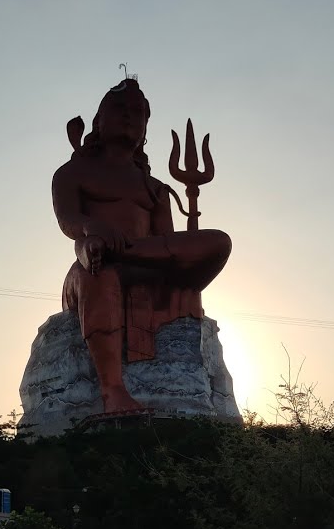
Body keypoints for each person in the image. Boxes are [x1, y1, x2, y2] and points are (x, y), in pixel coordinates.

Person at [51, 79, 232, 413]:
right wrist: (92, 229)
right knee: (98, 271)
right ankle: (113, 390)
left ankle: (121, 250)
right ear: (99, 121)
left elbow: (167, 245)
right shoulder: (72, 172)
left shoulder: (155, 189)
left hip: (143, 263)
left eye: (138, 113)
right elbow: (68, 222)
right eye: (119, 109)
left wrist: (134, 250)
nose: (129, 117)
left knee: (219, 241)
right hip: (91, 264)